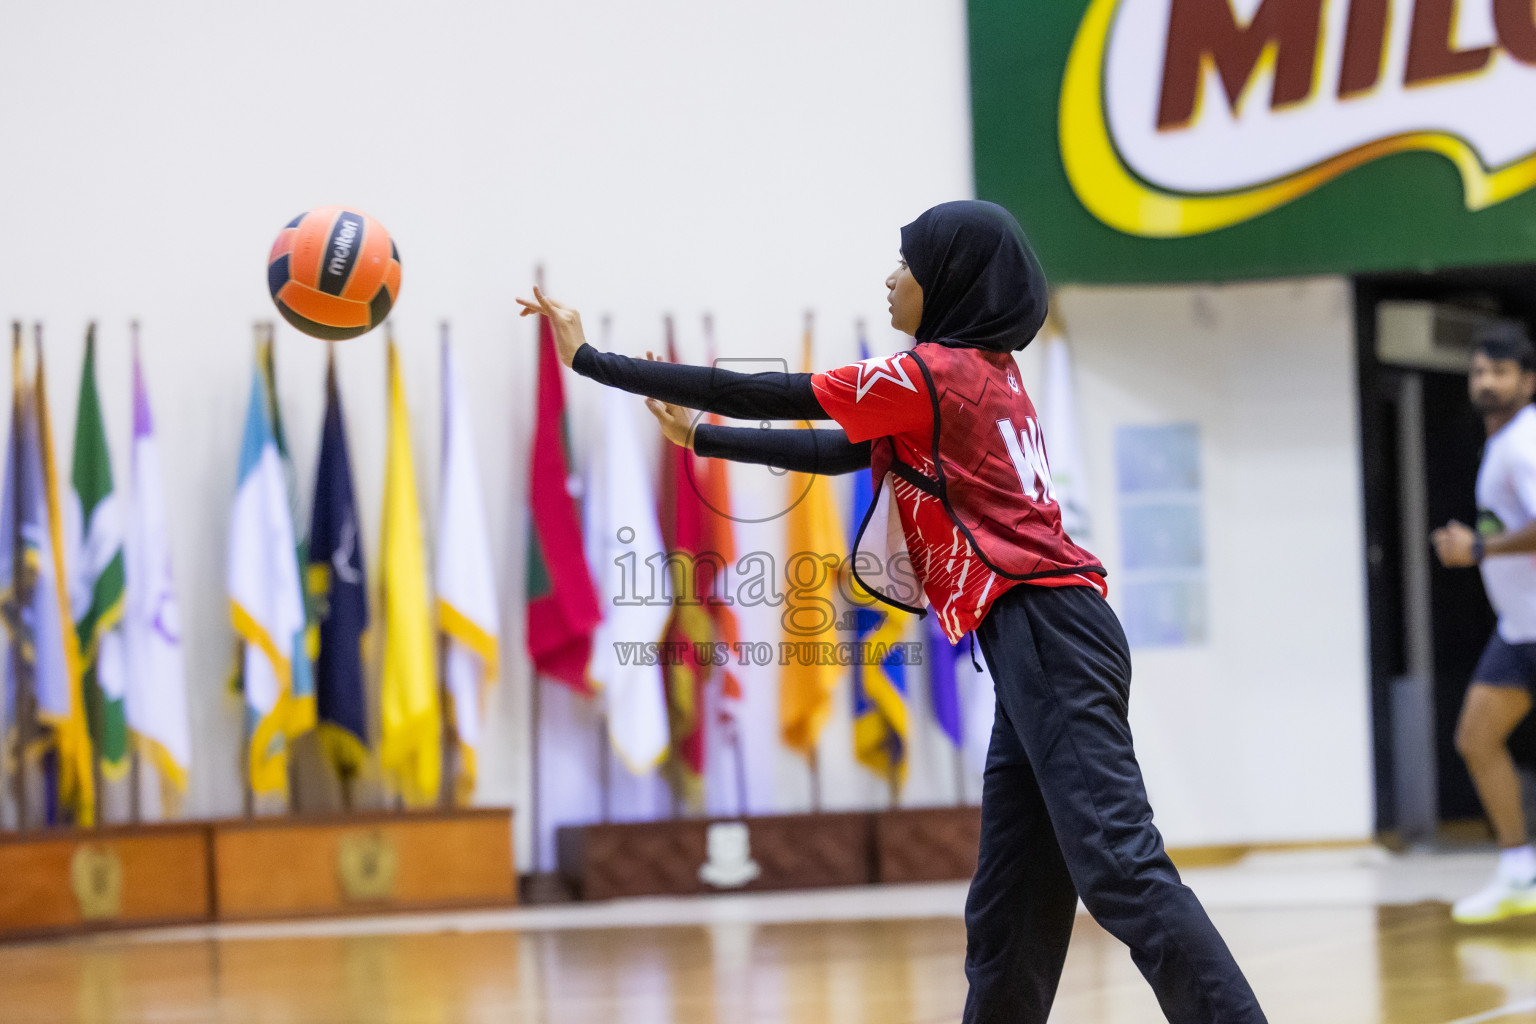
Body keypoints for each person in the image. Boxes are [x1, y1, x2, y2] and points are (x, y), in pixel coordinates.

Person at [518, 200, 1267, 1024]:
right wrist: (702, 439)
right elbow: (838, 448)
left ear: (949, 281)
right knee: (1010, 904)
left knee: (1120, 871)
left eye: (905, 264)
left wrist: (591, 359)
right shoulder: (982, 376)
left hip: (1047, 633)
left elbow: (779, 394)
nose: (890, 277)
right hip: (1042, 635)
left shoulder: (936, 376)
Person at [1432, 325, 1536, 925]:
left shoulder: (1523, 443)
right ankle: (1519, 868)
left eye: (1500, 371)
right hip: (1519, 629)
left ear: (1526, 381)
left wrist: (1477, 550)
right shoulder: (1502, 445)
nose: (1487, 382)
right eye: (1478, 372)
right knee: (1476, 738)